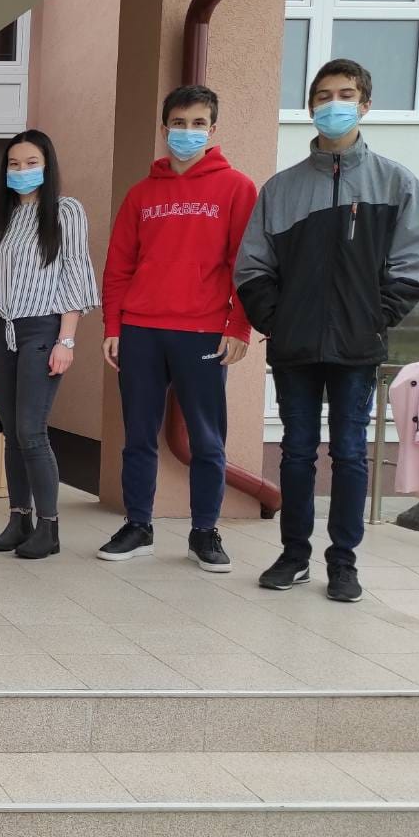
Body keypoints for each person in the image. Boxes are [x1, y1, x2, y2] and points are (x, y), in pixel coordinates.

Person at [236, 58, 419, 603]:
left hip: (356, 346)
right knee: (297, 453)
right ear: (310, 107)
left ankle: (343, 563)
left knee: (349, 454)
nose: (333, 104)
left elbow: (413, 265)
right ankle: (293, 556)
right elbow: (251, 267)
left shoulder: (396, 183)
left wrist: (373, 316)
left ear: (365, 104)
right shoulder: (282, 188)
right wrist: (277, 321)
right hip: (295, 346)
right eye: (323, 95)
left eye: (345, 94)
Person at [98, 85, 257, 574]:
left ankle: (204, 532)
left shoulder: (237, 188)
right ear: (164, 128)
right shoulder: (141, 194)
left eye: (198, 124)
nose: (187, 132)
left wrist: (238, 326)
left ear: (213, 129)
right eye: (179, 124)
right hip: (140, 330)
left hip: (203, 332)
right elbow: (119, 266)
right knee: (138, 436)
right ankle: (138, 526)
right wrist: (113, 324)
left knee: (207, 440)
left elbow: (246, 265)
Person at [0, 129, 99, 559]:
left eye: (31, 163)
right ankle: (19, 519)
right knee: (12, 433)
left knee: (31, 430)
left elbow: (75, 273)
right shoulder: (5, 218)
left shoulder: (66, 211)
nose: (22, 171)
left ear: (47, 167)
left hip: (42, 330)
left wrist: (66, 339)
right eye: (14, 164)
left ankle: (49, 527)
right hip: (1, 330)